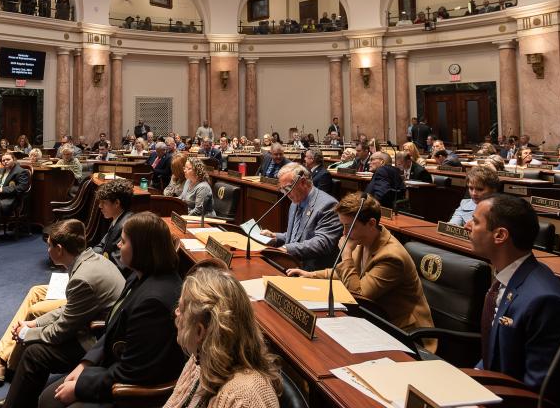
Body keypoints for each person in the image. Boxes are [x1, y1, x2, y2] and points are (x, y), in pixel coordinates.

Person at [0, 219, 126, 402]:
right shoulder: (89, 259)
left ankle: (15, 400)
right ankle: (16, 395)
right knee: (34, 336)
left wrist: (26, 333)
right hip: (96, 325)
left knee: (34, 351)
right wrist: (35, 323)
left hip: (98, 340)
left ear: (60, 249)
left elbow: (59, 332)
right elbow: (69, 308)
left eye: (49, 246)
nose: (48, 251)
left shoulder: (82, 278)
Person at [37, 213, 184, 408]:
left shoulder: (153, 302)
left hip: (133, 392)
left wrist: (80, 388)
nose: (117, 246)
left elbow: (133, 373)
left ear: (141, 249)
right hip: (114, 363)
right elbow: (113, 327)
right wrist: (86, 364)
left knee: (50, 402)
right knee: (48, 397)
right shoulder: (140, 275)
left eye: (123, 241)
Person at [466, 195, 560, 404]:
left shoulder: (546, 302)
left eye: (475, 221)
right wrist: (472, 378)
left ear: (500, 235)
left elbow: (539, 395)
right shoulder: (509, 277)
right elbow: (496, 353)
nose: (467, 226)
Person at [288, 193, 435, 349]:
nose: (343, 233)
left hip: (403, 333)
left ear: (371, 223)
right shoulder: (363, 240)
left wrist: (346, 256)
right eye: (342, 225)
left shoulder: (391, 257)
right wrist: (310, 275)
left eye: (349, 226)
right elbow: (346, 273)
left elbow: (358, 296)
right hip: (374, 319)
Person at [164, 266, 281, 408]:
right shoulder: (201, 360)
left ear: (200, 332)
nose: (176, 312)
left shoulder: (243, 400)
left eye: (182, 309)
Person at [260, 163, 340, 270]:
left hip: (312, 271)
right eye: (282, 190)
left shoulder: (328, 205)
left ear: (302, 182)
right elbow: (297, 236)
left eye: (288, 188)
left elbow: (322, 243)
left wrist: (287, 249)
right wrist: (276, 237)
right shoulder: (295, 202)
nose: (285, 194)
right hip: (290, 264)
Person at [91, 179, 134, 272]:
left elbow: (118, 266)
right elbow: (102, 245)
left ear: (117, 203)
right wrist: (87, 256)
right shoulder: (119, 218)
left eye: (104, 203)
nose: (100, 206)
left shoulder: (126, 226)